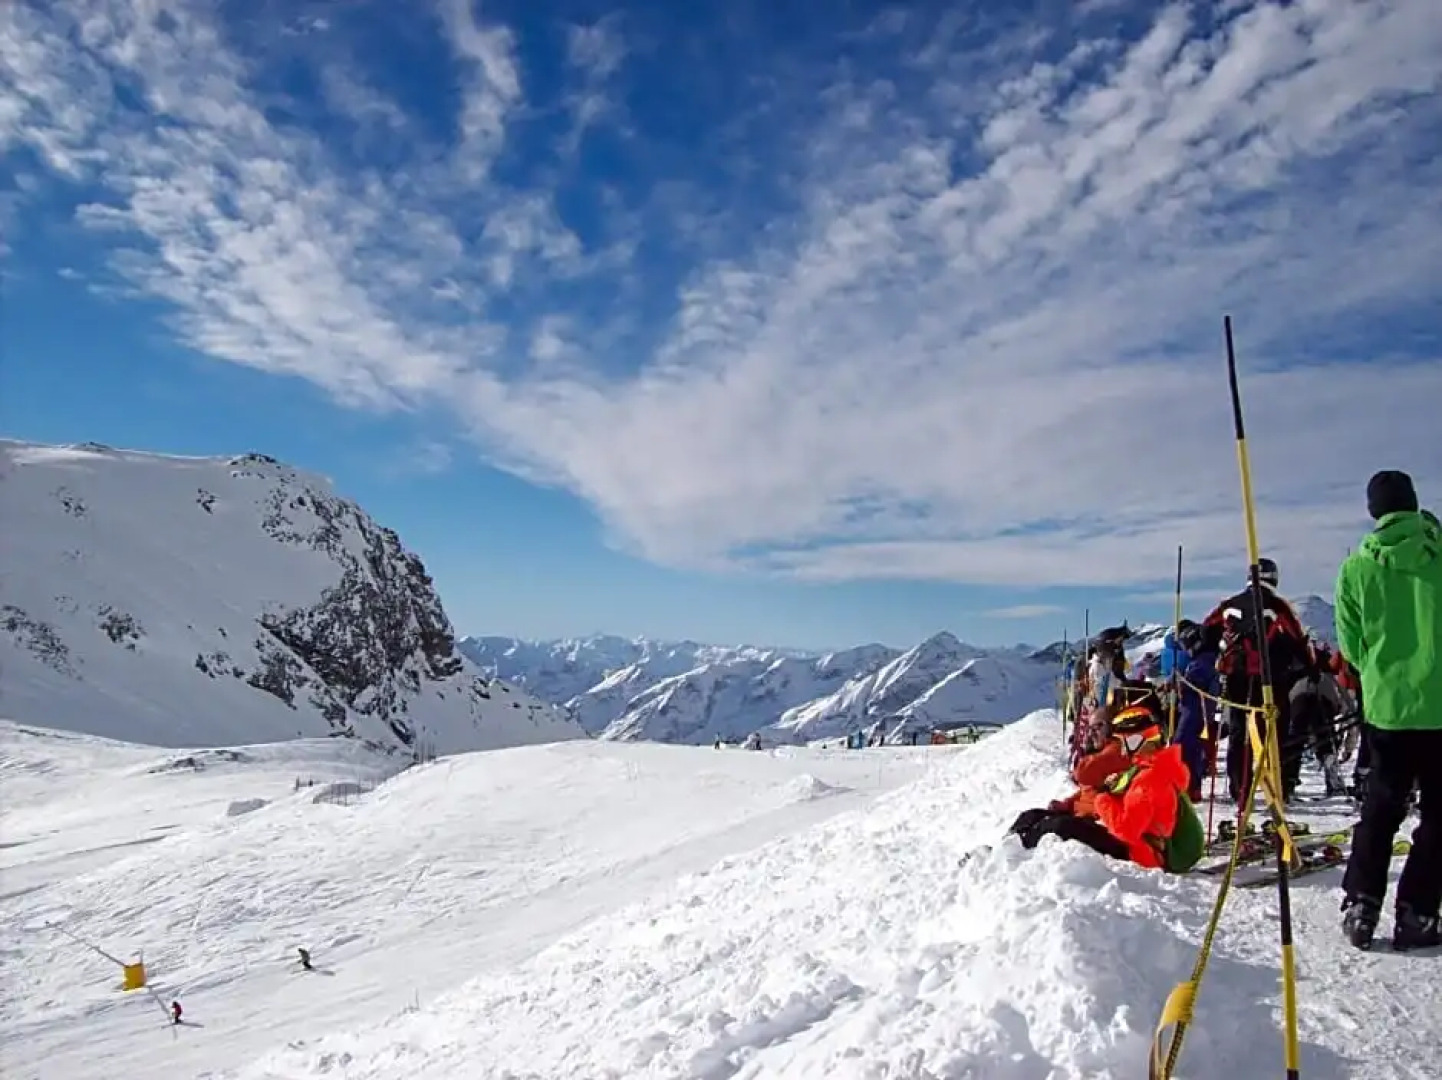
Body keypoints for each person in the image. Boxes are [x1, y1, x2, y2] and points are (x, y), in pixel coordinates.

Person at [1335, 470, 1442, 952]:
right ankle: (1416, 912)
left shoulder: (1357, 567)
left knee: (1380, 808)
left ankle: (1361, 902)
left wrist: (1380, 674)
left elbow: (1351, 644)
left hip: (1387, 708)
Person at [1010, 698, 1202, 872]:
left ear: (1137, 740)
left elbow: (1127, 829)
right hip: (1141, 846)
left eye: (1123, 740)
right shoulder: (1151, 767)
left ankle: (1012, 854)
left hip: (1141, 853)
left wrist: (1103, 798)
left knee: (1062, 826)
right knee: (1055, 823)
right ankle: (1012, 850)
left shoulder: (1149, 778)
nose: (1121, 747)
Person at [1200, 557, 1310, 806]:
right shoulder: (1278, 606)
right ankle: (1276, 787)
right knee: (1274, 733)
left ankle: (1240, 787)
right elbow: (1297, 640)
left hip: (1236, 679)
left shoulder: (1229, 604)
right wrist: (1309, 668)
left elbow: (1206, 630)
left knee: (1239, 734)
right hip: (1270, 681)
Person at [1174, 621, 1218, 801]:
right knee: (1188, 748)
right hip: (1193, 711)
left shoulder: (1204, 660)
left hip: (1196, 712)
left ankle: (1189, 788)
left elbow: (1197, 684)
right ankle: (1189, 786)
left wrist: (1182, 682)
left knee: (1185, 748)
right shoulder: (1201, 659)